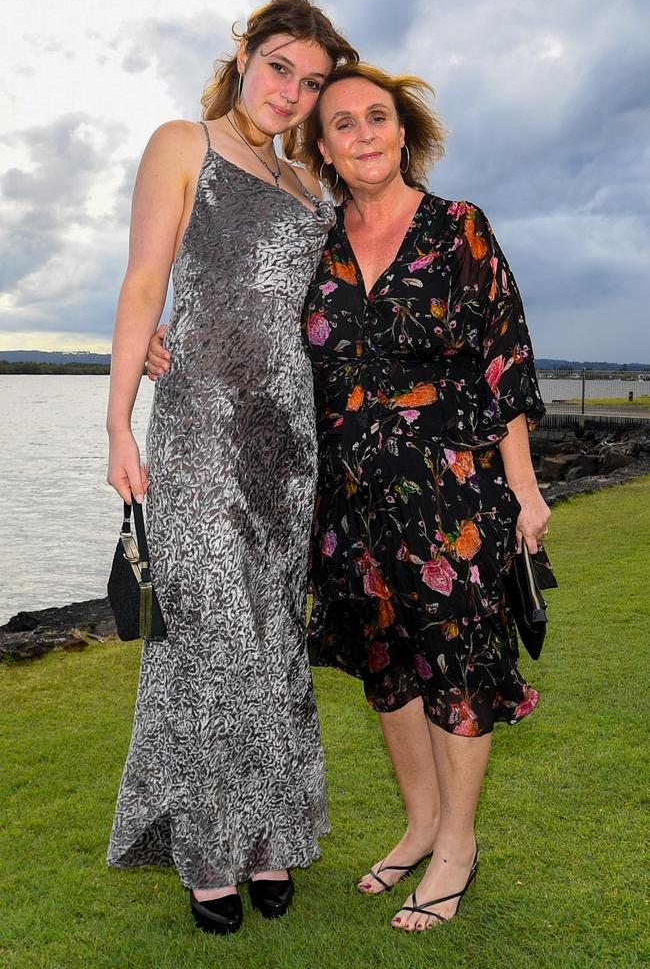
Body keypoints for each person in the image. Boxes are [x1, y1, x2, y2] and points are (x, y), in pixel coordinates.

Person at [147, 62, 551, 932]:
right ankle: (417, 824)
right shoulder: (317, 235)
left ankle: (457, 844)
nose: (363, 133)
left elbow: (504, 357)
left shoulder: (458, 227)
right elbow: (240, 307)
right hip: (342, 487)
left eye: (378, 117)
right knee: (388, 667)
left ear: (404, 131)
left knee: (455, 662)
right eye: (342, 124)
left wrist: (524, 487)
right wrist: (154, 332)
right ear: (322, 148)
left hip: (450, 482)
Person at [105, 0, 358, 936]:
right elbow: (144, 280)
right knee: (212, 638)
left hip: (290, 443)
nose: (292, 91)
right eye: (281, 66)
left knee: (273, 643)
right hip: (199, 424)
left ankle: (270, 836)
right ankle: (210, 851)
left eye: (313, 80)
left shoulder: (309, 186)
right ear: (246, 54)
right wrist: (118, 421)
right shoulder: (185, 143)